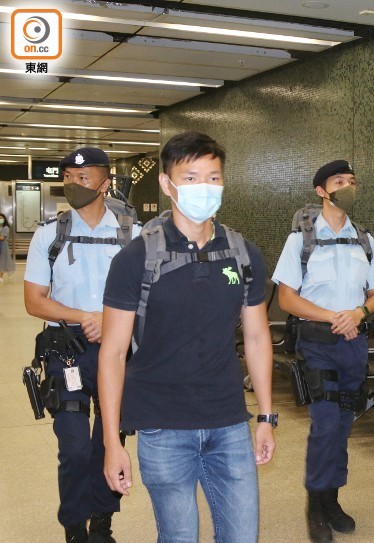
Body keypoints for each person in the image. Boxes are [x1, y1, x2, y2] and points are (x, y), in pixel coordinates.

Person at [98, 132, 275, 543]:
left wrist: (266, 417)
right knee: (178, 537)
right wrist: (112, 441)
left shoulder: (244, 253)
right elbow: (113, 352)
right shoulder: (136, 257)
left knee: (242, 537)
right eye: (191, 177)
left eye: (214, 178)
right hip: (163, 427)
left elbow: (256, 337)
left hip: (228, 423)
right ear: (167, 184)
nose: (205, 188)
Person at [23, 147, 141, 543]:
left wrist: (112, 322)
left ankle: (103, 523)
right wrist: (85, 317)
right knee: (73, 448)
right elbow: (34, 299)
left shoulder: (133, 236)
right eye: (68, 177)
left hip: (115, 353)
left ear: (106, 183)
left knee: (107, 444)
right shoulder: (49, 234)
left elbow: (148, 294)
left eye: (84, 177)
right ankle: (75, 526)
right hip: (64, 352)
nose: (73, 184)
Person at [273, 159, 374, 543]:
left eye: (352, 180)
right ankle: (316, 505)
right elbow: (287, 298)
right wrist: (330, 317)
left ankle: (331, 499)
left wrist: (358, 313)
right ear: (321, 190)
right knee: (324, 425)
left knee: (343, 424)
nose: (348, 186)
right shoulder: (300, 240)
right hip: (317, 344)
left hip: (354, 344)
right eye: (340, 181)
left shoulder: (364, 240)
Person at [0, 212, 13, 281]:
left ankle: (0, 277)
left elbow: (2, 238)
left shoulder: (6, 228)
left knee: (2, 261)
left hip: (2, 246)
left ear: (4, 219)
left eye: (1, 218)